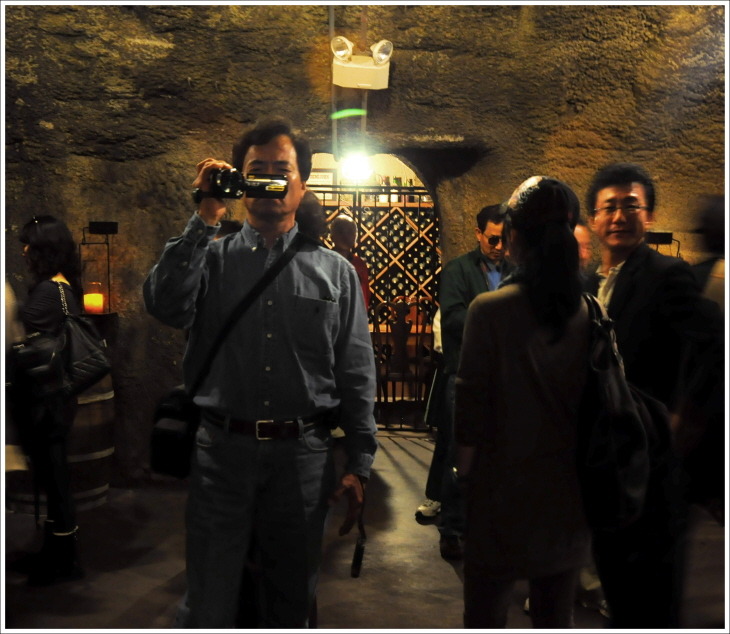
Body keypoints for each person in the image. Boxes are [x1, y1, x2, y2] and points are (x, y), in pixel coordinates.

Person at [143, 116, 378, 628]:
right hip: (221, 454)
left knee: (291, 601)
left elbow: (357, 370)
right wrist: (205, 213)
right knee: (209, 600)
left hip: (303, 458)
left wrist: (359, 462)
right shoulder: (211, 259)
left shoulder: (336, 273)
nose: (271, 180)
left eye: (282, 170)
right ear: (241, 180)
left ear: (302, 183)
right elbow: (164, 304)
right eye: (258, 171)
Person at [583, 162, 722, 627]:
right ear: (593, 219)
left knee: (652, 595)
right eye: (609, 207)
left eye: (631, 206)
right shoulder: (589, 284)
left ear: (650, 216)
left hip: (653, 460)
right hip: (607, 461)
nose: (619, 216)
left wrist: (687, 418)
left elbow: (715, 346)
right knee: (615, 581)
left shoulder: (666, 275)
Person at [455, 177, 591, 628]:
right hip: (568, 498)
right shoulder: (590, 312)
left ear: (514, 236)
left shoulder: (488, 311)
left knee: (487, 616)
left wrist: (462, 478)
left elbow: (470, 415)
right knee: (554, 617)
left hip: (500, 496)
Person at [417, 203, 512, 561]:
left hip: (503, 378)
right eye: (493, 239)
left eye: (505, 239)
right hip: (466, 376)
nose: (499, 246)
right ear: (478, 234)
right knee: (459, 454)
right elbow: (454, 318)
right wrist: (498, 318)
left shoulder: (515, 271)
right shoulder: (458, 270)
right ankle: (452, 530)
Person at [9, 215, 85, 586]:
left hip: (46, 401)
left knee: (55, 480)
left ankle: (63, 560)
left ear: (44, 249)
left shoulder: (48, 292)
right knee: (54, 478)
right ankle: (56, 553)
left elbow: (21, 341)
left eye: (29, 244)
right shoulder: (63, 285)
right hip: (56, 398)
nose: (24, 250)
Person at [329, 213, 371, 308]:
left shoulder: (360, 264)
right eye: (341, 232)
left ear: (355, 236)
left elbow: (365, 295)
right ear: (332, 236)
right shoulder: (325, 262)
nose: (346, 236)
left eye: (350, 232)